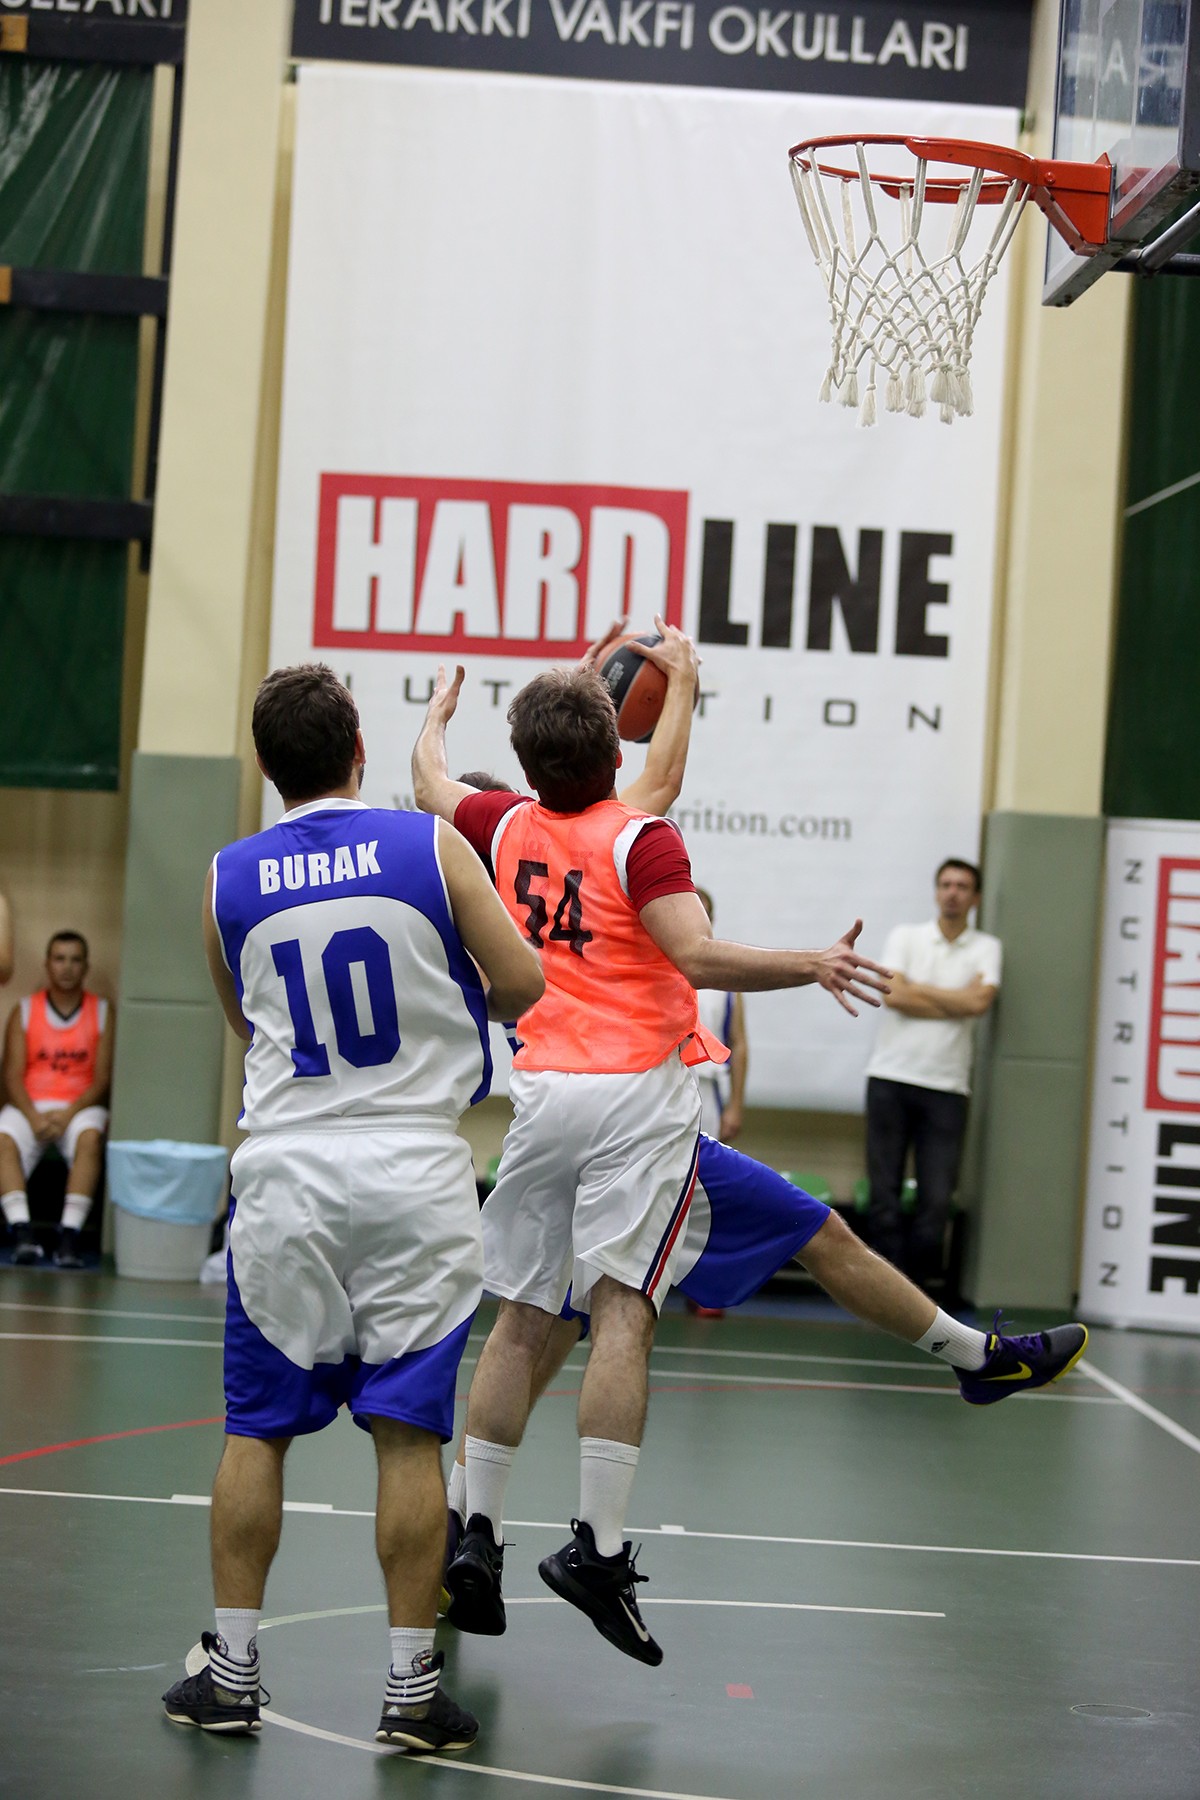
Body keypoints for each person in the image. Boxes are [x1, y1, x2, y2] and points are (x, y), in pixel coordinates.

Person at [411, 640, 898, 1668]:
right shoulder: (644, 837)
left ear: (529, 759)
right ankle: (597, 1547)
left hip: (542, 1097)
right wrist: (811, 961)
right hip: (634, 1099)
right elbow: (697, 952)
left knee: (520, 1319)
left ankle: (474, 1531)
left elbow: (428, 780)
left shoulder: (501, 824)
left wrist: (439, 712)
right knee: (624, 1313)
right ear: (615, 749)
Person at [160, 663, 543, 1749]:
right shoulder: (432, 848)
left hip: (288, 1174)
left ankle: (233, 1672)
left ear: (265, 766)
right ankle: (411, 1691)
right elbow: (522, 985)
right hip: (414, 1172)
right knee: (408, 1439)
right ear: (358, 752)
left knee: (255, 1431)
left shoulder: (228, 877)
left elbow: (248, 1021)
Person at [864, 859, 1001, 1287]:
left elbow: (979, 1004)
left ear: (975, 898)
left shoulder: (987, 947)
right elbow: (894, 995)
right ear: (936, 891)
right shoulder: (905, 937)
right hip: (890, 1078)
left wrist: (917, 988)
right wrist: (955, 1000)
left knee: (936, 1198)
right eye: (945, 884)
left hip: (947, 1087)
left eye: (962, 886)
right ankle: (882, 1289)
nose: (952, 892)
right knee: (883, 1193)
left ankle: (920, 1295)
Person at [0, 931, 114, 1268]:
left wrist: (67, 1115)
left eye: (75, 960)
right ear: (47, 964)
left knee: (89, 1138)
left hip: (79, 1108)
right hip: (31, 1106)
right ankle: (22, 1233)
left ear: (86, 967)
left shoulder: (102, 1011)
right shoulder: (24, 1010)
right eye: (59, 959)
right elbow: (11, 1075)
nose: (67, 967)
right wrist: (34, 1117)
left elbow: (102, 1078)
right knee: (3, 1138)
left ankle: (69, 1238)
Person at [693, 889, 747, 1145]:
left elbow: (739, 1043)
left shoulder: (724, 979)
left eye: (704, 914)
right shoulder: (652, 966)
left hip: (705, 1087)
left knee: (702, 1162)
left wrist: (735, 1105)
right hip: (658, 1083)